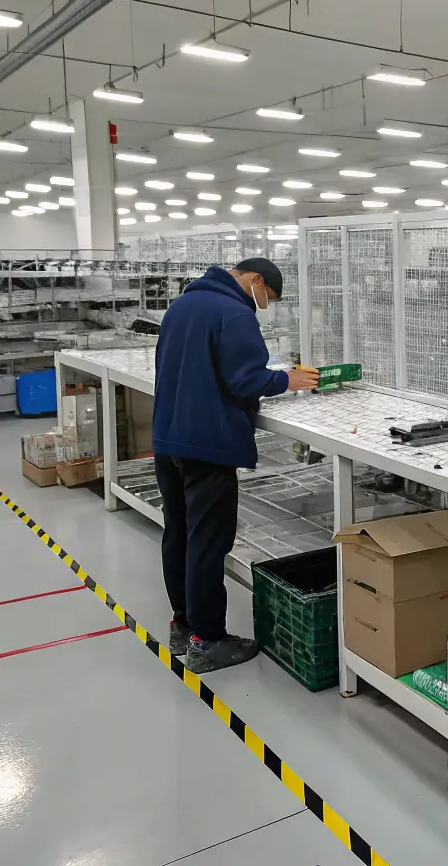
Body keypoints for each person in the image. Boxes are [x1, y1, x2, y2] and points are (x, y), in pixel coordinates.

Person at [152, 258, 319, 673]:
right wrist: (287, 380)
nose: (265, 305)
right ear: (254, 280)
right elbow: (246, 380)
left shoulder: (181, 306)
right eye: (268, 296)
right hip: (207, 443)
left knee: (179, 535)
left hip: (168, 438)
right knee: (208, 543)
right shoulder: (234, 312)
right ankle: (208, 641)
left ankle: (183, 626)